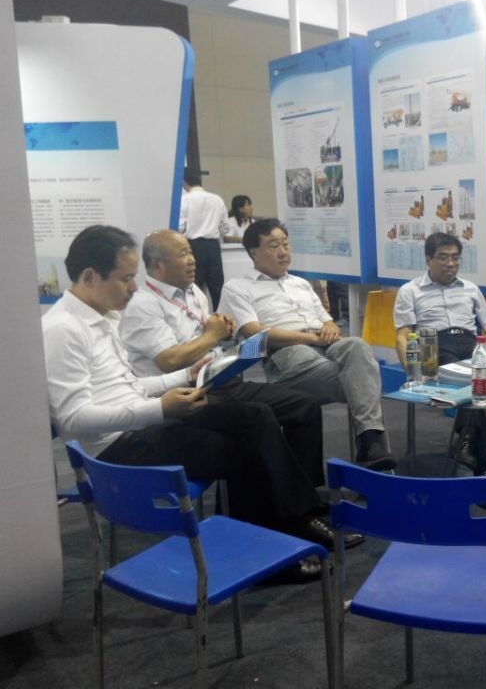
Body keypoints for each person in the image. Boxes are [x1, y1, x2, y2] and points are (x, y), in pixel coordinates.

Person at [42, 225, 350, 583]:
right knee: (249, 439)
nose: (134, 287)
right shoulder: (63, 329)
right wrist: (160, 408)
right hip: (114, 451)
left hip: (141, 425)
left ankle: (272, 538)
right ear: (90, 277)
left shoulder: (103, 317)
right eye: (125, 278)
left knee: (255, 428)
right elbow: (73, 419)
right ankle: (274, 542)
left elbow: (128, 386)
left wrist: (183, 377)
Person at [117, 229, 367, 555]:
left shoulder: (193, 292)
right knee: (257, 418)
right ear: (158, 265)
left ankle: (307, 495)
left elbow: (207, 338)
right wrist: (213, 335)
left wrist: (222, 337)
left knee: (303, 406)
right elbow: (170, 360)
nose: (193, 260)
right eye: (183, 254)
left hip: (218, 380)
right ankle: (298, 516)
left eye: (190, 251)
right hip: (181, 396)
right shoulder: (144, 305)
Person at [218, 219, 395, 470]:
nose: (283, 252)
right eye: (273, 246)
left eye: (286, 244)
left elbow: (327, 319)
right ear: (253, 252)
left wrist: (330, 326)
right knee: (365, 376)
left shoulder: (300, 283)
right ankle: (370, 440)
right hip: (287, 354)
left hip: (326, 345)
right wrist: (311, 338)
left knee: (357, 345)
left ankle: (369, 440)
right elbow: (255, 333)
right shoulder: (238, 287)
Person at [394, 231, 486, 471]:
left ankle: (468, 445)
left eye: (455, 257)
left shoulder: (471, 289)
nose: (450, 263)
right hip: (434, 344)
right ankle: (474, 453)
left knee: (483, 375)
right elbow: (402, 336)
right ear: (428, 259)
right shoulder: (410, 290)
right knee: (475, 380)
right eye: (443, 257)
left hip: (471, 343)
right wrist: (411, 373)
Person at [179, 168, 229, 308]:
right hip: (213, 246)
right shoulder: (217, 199)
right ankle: (222, 316)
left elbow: (180, 227)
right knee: (217, 287)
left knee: (195, 286)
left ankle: (198, 317)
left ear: (184, 182)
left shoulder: (184, 200)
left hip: (193, 246)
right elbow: (225, 227)